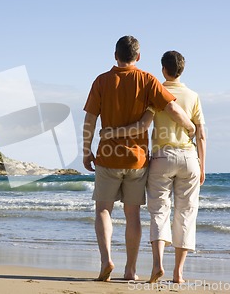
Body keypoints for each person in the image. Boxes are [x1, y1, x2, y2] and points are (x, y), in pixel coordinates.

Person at [83, 37, 196, 282]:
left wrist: (86, 150)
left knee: (103, 209)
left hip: (108, 156)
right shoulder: (147, 80)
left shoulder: (101, 81)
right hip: (137, 159)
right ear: (139, 57)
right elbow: (173, 109)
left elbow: (90, 120)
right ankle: (130, 270)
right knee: (132, 214)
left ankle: (106, 261)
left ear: (115, 55)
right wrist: (191, 128)